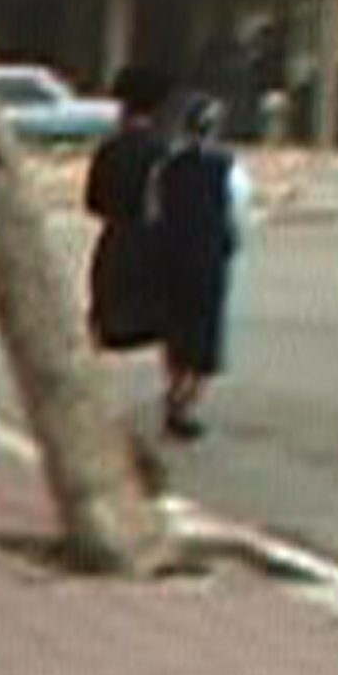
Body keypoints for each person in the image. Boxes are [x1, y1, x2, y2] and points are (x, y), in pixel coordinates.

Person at [154, 91, 243, 439]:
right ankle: (182, 402)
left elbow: (156, 212)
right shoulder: (224, 167)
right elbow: (234, 212)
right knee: (205, 340)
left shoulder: (168, 167)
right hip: (209, 260)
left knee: (177, 333)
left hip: (173, 259)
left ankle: (175, 393)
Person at [84, 63, 173, 371]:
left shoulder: (108, 150)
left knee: (104, 324)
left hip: (113, 243)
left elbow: (93, 203)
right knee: (164, 321)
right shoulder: (164, 152)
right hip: (153, 247)